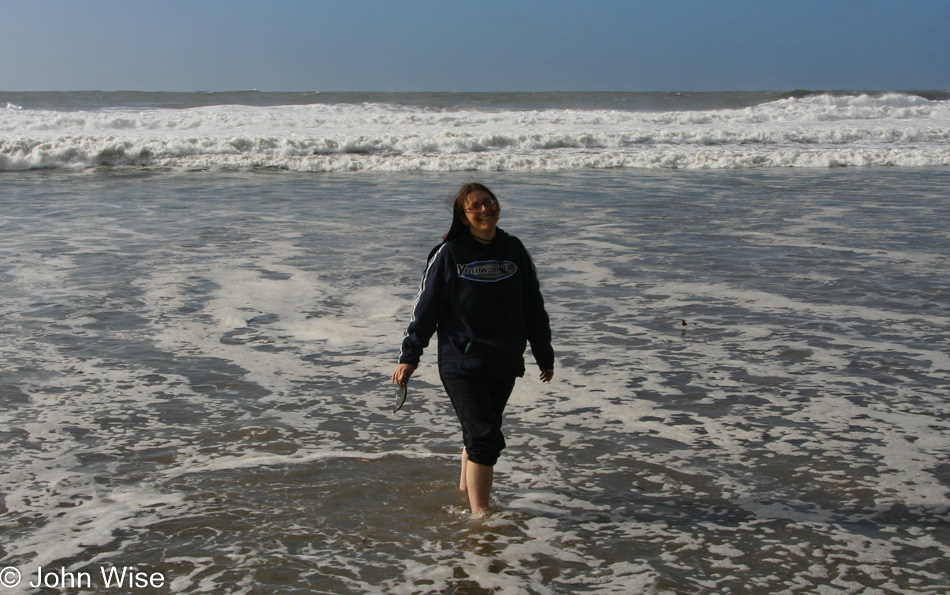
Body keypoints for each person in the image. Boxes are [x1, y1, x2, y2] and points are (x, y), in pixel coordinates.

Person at [392, 182, 554, 518]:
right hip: (461, 361)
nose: (484, 209)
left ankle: (463, 495)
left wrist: (543, 353)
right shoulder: (450, 253)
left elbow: (533, 306)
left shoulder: (514, 249)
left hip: (504, 359)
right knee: (485, 437)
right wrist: (410, 356)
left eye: (488, 202)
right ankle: (481, 517)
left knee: (480, 431)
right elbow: (427, 309)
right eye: (474, 206)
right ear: (463, 217)